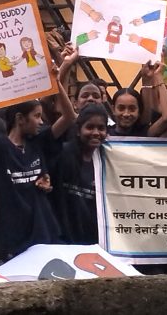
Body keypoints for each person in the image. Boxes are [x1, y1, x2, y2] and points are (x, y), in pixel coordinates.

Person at [0, 46, 77, 261]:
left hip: (44, 231)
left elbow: (69, 118)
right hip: (14, 236)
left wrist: (58, 82)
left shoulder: (40, 142)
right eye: (36, 116)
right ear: (20, 119)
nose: (41, 121)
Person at [51, 102, 106, 244]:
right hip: (60, 240)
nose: (96, 133)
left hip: (92, 242)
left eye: (101, 128)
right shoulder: (61, 154)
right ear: (78, 130)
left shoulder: (107, 163)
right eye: (89, 127)